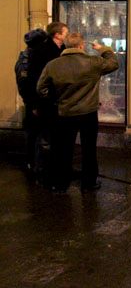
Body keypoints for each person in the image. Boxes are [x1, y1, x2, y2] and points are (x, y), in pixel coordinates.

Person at [36, 33, 119, 193]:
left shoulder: (53, 65)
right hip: (88, 113)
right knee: (89, 149)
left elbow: (41, 89)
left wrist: (56, 99)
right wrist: (103, 49)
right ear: (81, 46)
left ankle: (61, 183)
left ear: (65, 46)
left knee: (64, 149)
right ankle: (88, 183)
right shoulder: (93, 62)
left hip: (65, 112)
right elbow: (113, 63)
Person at [22, 22, 68, 182]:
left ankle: (47, 166)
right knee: (41, 135)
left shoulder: (62, 49)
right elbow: (34, 79)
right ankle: (39, 168)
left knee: (49, 135)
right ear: (57, 34)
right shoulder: (42, 52)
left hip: (54, 100)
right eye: (65, 32)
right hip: (44, 100)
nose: (66, 34)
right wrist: (34, 103)